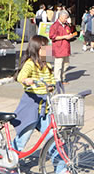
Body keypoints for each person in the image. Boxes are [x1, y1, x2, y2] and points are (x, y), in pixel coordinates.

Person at [11, 35, 68, 174]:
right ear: (37, 49)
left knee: (53, 140)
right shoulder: (30, 63)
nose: (49, 49)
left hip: (45, 109)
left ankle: (61, 170)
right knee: (22, 139)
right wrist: (26, 80)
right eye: (45, 47)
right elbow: (20, 76)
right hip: (31, 106)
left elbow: (52, 82)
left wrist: (52, 86)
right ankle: (8, 162)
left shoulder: (47, 65)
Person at [48, 9, 76, 86]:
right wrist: (64, 37)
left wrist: (70, 35)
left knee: (66, 64)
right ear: (60, 17)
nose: (66, 19)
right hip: (58, 48)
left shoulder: (66, 25)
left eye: (67, 18)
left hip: (66, 48)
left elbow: (69, 32)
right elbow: (52, 37)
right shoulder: (55, 25)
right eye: (65, 18)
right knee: (58, 65)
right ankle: (57, 80)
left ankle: (62, 78)